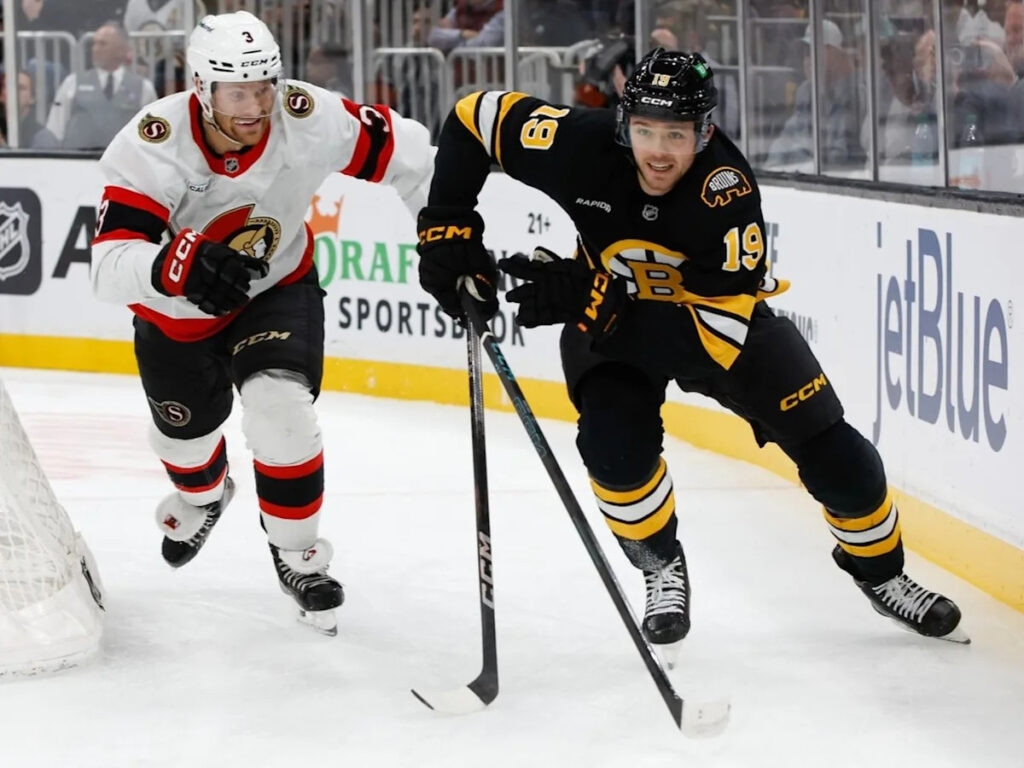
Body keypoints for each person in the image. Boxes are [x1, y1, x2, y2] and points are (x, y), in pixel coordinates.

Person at [416, 48, 967, 651]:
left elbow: (712, 343)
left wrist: (595, 302)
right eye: (645, 130)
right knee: (612, 453)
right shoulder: (578, 144)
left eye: (676, 134)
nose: (658, 151)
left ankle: (882, 576)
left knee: (844, 463)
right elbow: (473, 117)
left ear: (704, 132)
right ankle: (660, 566)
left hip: (715, 326)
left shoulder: (725, 193)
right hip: (608, 322)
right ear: (623, 123)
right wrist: (447, 225)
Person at [91, 10, 434, 634]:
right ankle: (205, 494)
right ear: (202, 88)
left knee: (281, 410)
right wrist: (177, 265)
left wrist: (444, 233)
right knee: (184, 443)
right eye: (237, 93)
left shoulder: (307, 116)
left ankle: (298, 555)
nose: (256, 108)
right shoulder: (153, 143)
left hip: (274, 287)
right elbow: (109, 267)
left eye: (264, 88)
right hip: (175, 315)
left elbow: (410, 156)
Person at [766, 19, 866, 169]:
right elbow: (785, 140)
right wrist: (772, 168)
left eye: (812, 52)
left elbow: (839, 155)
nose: (807, 60)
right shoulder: (805, 91)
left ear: (834, 53)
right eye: (806, 54)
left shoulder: (853, 94)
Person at [45, 22, 159, 150]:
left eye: (102, 44)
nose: (95, 49)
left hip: (123, 159)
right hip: (77, 158)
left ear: (121, 50)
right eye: (94, 43)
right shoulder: (72, 83)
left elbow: (152, 136)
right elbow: (55, 128)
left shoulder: (144, 88)